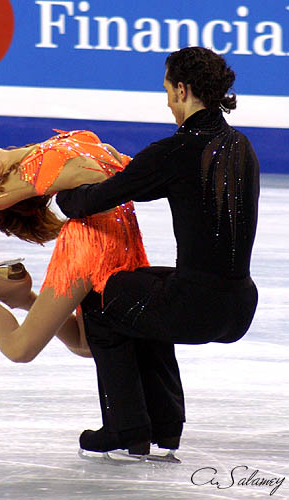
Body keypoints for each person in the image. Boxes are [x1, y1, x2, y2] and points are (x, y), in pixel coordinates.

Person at [0, 129, 185, 454]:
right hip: (111, 244)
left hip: (103, 247)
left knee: (56, 346)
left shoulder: (36, 166)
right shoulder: (78, 144)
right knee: (57, 346)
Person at [56, 47, 260, 454]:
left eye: (168, 90)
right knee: (140, 290)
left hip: (197, 308)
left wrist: (58, 183)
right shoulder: (241, 145)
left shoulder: (176, 151)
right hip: (239, 305)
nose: (167, 101)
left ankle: (125, 426)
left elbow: (86, 202)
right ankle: (165, 426)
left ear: (183, 90)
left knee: (99, 298)